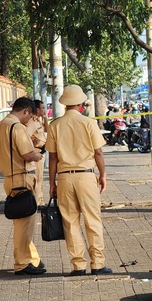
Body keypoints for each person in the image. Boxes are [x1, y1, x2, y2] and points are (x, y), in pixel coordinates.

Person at [46, 85, 111, 276]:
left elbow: (52, 157)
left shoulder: (55, 125)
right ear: (81, 104)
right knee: (93, 220)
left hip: (65, 178)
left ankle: (78, 265)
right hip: (86, 175)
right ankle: (97, 264)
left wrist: (52, 182)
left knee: (70, 221)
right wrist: (103, 174)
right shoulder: (88, 123)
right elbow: (98, 152)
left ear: (65, 104)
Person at [0, 97, 46, 275]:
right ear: (26, 111)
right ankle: (22, 263)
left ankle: (28, 259)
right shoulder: (17, 127)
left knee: (20, 223)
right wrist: (37, 155)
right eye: (29, 116)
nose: (28, 120)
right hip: (22, 177)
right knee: (25, 225)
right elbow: (28, 155)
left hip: (9, 179)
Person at [25, 100, 48, 205]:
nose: (44, 110)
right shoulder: (31, 122)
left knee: (40, 178)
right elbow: (26, 137)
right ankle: (38, 202)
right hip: (36, 152)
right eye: (42, 108)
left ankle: (40, 199)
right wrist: (33, 143)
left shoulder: (38, 121)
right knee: (37, 179)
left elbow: (47, 131)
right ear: (37, 109)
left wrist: (46, 119)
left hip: (41, 153)